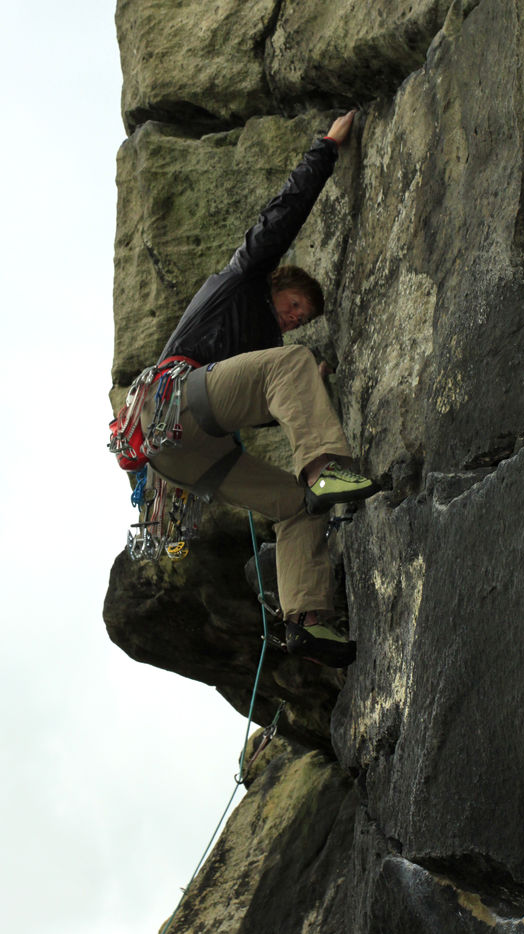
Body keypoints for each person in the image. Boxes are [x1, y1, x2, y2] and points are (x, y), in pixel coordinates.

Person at [140, 110, 378, 667]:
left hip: (186, 458)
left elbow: (255, 402)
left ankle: (308, 621)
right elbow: (282, 215)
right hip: (173, 404)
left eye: (304, 317)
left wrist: (297, 389)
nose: (296, 318)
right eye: (295, 305)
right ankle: (325, 465)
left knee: (298, 507)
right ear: (277, 284)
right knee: (292, 365)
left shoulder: (260, 348)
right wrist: (326, 149)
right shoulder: (242, 279)